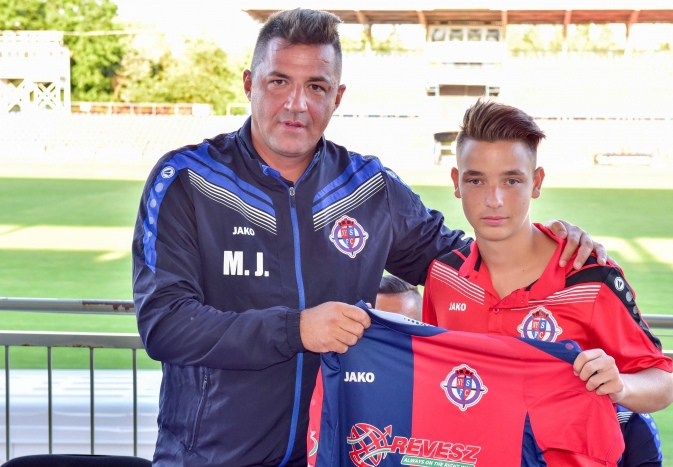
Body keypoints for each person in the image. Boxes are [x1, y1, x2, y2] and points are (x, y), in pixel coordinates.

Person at [132, 10, 607, 467]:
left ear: (337, 97)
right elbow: (165, 324)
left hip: (333, 453)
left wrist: (551, 248)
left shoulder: (367, 187)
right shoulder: (189, 181)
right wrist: (296, 329)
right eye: (279, 82)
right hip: (209, 456)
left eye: (316, 87)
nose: (296, 104)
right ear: (249, 84)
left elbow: (469, 264)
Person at [422, 99, 673, 417]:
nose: (493, 200)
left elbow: (663, 384)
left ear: (537, 182)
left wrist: (621, 386)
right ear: (456, 182)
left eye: (511, 181)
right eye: (476, 180)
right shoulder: (443, 275)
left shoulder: (590, 277)